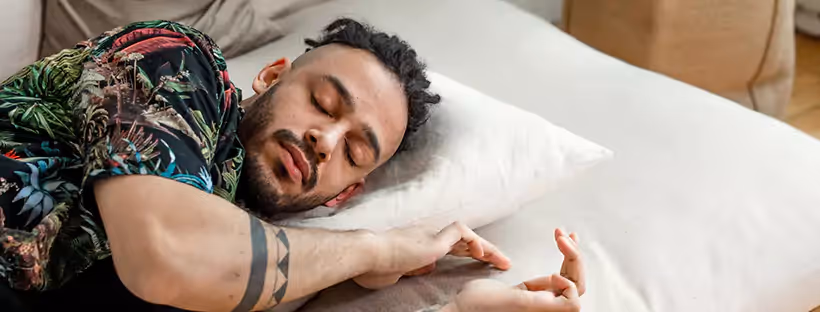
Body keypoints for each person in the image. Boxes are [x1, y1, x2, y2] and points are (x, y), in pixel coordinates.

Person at [0, 18, 584, 311]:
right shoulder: (177, 60)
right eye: (323, 103)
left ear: (344, 194)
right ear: (271, 76)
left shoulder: (238, 254)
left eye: (354, 153)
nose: (325, 140)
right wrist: (377, 249)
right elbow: (168, 254)